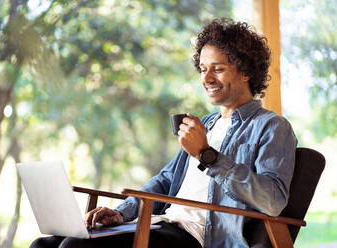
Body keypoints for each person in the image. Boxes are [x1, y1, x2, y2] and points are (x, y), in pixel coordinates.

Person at [30, 18, 297, 248]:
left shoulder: (271, 126)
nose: (206, 78)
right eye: (203, 69)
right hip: (161, 223)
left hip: (197, 236)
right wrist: (121, 213)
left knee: (75, 246)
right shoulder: (207, 123)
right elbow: (165, 180)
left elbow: (272, 201)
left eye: (218, 68)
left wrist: (207, 155)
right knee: (44, 244)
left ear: (247, 71)